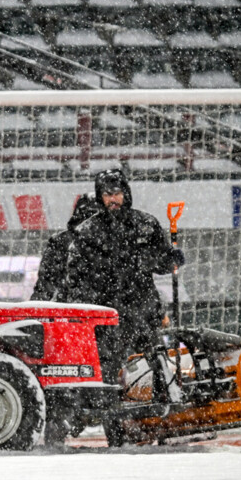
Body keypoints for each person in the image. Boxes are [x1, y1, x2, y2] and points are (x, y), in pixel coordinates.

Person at [64, 169, 184, 400]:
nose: (113, 199)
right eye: (107, 194)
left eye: (116, 193)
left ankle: (166, 411)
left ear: (125, 193)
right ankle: (114, 423)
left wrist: (171, 260)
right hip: (108, 318)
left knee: (159, 363)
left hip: (144, 310)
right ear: (100, 197)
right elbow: (75, 279)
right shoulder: (87, 232)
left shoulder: (146, 224)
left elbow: (162, 260)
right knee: (108, 374)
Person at [31, 193, 100, 302]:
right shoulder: (113, 240)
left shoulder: (61, 240)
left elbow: (45, 286)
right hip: (102, 310)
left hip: (67, 309)